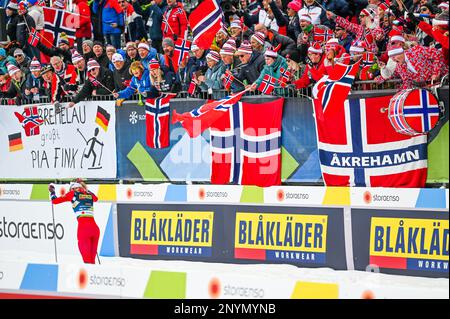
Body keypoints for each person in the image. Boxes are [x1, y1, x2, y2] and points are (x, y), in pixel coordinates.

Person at [48, 179, 100, 264]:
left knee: (87, 262)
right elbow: (96, 199)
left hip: (84, 230)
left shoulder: (72, 194)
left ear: (73, 188)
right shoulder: (89, 194)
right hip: (95, 230)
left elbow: (55, 201)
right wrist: (84, 188)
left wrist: (52, 192)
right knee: (92, 262)